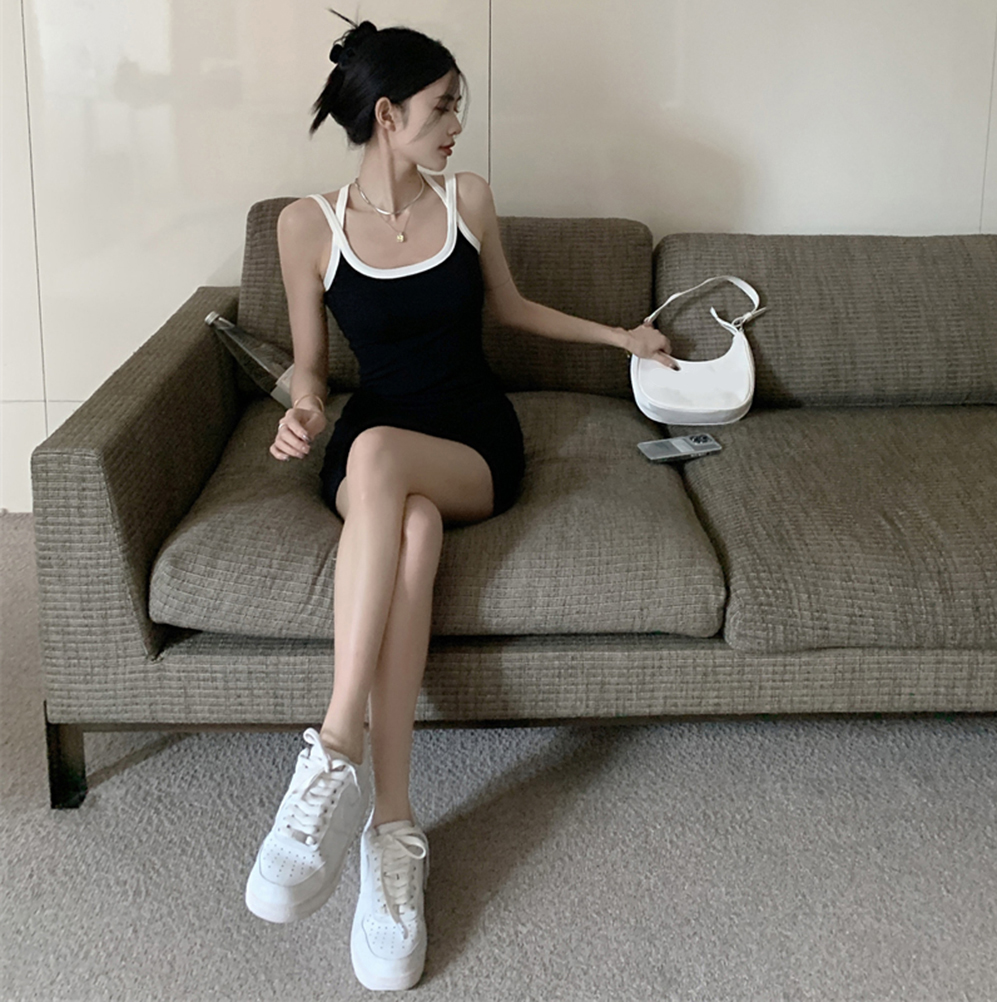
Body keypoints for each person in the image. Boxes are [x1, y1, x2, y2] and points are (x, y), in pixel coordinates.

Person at [244, 11, 678, 992]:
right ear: (387, 115)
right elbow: (311, 369)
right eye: (443, 109)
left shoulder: (467, 197)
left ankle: (335, 747)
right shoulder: (306, 225)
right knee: (407, 521)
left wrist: (621, 337)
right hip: (376, 456)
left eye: (457, 109)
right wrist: (302, 414)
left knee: (386, 462)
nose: (456, 127)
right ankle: (392, 831)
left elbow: (512, 310)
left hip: (471, 443)